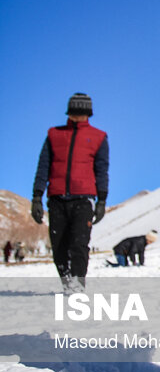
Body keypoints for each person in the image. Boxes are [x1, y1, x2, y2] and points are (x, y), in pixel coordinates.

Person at [31, 93, 109, 292]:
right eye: (75, 113)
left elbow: (102, 170)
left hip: (84, 198)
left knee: (79, 243)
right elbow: (43, 167)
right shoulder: (54, 134)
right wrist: (37, 197)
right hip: (57, 198)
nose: (78, 117)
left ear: (88, 114)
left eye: (82, 113)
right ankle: (67, 281)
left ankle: (78, 285)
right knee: (59, 246)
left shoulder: (99, 137)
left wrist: (101, 201)